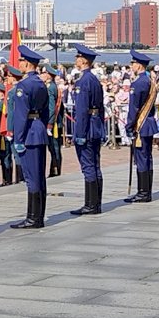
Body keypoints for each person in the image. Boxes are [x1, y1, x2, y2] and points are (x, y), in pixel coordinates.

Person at [10, 46, 50, 229]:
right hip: (39, 129)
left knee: (32, 177)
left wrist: (18, 139)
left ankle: (33, 218)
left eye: (20, 61)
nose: (19, 64)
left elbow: (20, 116)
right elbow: (45, 110)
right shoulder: (41, 83)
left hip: (28, 133)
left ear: (27, 63)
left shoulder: (24, 86)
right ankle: (38, 215)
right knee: (39, 175)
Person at [69, 44, 105, 215]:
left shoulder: (83, 81)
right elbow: (101, 107)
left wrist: (80, 134)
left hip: (87, 128)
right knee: (95, 166)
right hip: (95, 124)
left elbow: (82, 110)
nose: (75, 60)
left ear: (83, 61)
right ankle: (96, 203)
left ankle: (91, 204)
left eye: (77, 57)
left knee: (88, 166)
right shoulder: (94, 80)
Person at [124, 49, 158, 203]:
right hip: (149, 123)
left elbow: (134, 109)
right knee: (147, 158)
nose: (132, 66)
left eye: (133, 63)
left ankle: (143, 192)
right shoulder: (150, 81)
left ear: (139, 65)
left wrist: (129, 126)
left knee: (142, 159)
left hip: (141, 124)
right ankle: (146, 190)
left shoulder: (138, 83)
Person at [43, 65, 65, 178]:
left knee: (54, 148)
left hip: (53, 123)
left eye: (43, 73)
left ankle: (55, 170)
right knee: (54, 148)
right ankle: (55, 169)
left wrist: (49, 123)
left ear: (48, 75)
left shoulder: (50, 87)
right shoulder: (52, 86)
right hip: (55, 121)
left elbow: (52, 107)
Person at [5, 65, 25, 184]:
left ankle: (20, 178)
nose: (7, 79)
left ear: (13, 78)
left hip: (15, 126)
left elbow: (11, 112)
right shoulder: (21, 90)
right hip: (22, 124)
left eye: (8, 76)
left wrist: (9, 129)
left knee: (17, 153)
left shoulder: (12, 92)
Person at [0, 82, 13, 186]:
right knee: (9, 157)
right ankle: (11, 179)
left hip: (2, 135)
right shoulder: (8, 103)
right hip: (9, 133)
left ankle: (6, 179)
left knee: (4, 158)